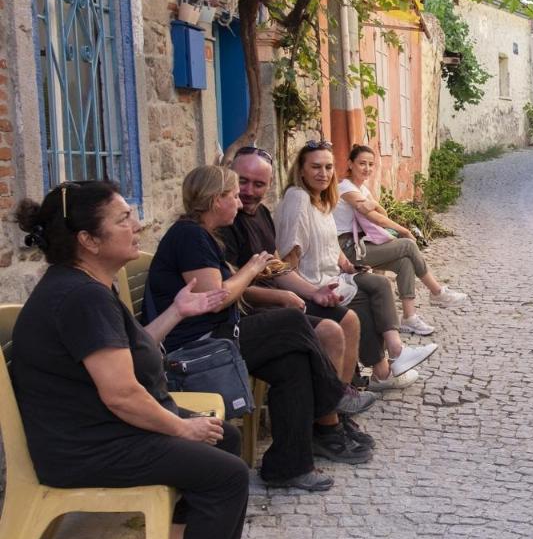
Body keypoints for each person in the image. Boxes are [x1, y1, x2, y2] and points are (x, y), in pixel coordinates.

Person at [12, 181, 249, 539]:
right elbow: (121, 394)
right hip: (88, 448)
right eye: (123, 219)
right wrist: (181, 428)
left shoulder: (84, 285)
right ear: (88, 240)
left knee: (223, 437)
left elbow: (130, 352)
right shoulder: (81, 297)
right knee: (227, 474)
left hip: (99, 430)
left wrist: (177, 311)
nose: (137, 226)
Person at [145, 166, 352, 490]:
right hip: (198, 347)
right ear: (216, 200)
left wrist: (270, 282)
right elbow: (216, 299)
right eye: (233, 195)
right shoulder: (189, 236)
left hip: (219, 336)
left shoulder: (202, 235)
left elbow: (226, 290)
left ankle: (288, 467)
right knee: (292, 322)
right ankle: (333, 397)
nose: (240, 203)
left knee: (293, 362)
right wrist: (252, 269)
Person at [221, 147, 377, 456]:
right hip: (253, 310)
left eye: (258, 184)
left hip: (276, 301)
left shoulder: (261, 214)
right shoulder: (225, 221)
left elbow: (277, 269)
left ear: (269, 186)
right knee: (330, 331)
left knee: (348, 319)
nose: (249, 191)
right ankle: (326, 426)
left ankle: (337, 413)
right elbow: (227, 288)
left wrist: (312, 292)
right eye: (242, 182)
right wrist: (283, 296)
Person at [274, 140, 436, 391]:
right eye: (316, 167)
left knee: (379, 283)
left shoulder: (321, 199)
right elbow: (289, 254)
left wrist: (348, 265)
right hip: (312, 285)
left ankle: (394, 355)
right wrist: (304, 292)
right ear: (301, 170)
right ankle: (384, 371)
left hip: (333, 276)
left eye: (328, 167)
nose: (323, 173)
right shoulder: (298, 198)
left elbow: (331, 242)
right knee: (365, 301)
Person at [334, 144, 468, 336]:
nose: (367, 168)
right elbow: (373, 216)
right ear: (350, 164)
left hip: (360, 246)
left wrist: (374, 205)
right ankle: (437, 292)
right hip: (346, 250)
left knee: (405, 262)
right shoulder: (345, 187)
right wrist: (404, 231)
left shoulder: (362, 189)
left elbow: (382, 213)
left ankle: (409, 318)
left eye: (371, 164)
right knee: (408, 245)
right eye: (362, 163)